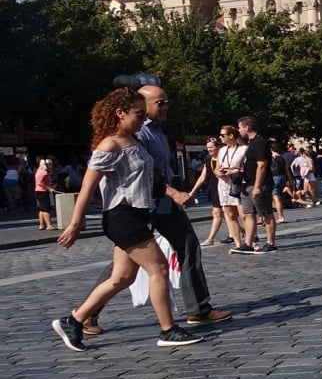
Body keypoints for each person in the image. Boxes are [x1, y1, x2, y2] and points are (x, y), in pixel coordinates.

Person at [53, 88, 204, 350]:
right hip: (123, 216)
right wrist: (76, 224)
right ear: (119, 113)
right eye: (137, 114)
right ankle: (168, 329)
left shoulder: (135, 140)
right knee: (158, 268)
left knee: (122, 278)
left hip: (140, 213)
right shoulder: (108, 145)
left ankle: (74, 320)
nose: (141, 119)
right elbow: (88, 187)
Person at [236, 115, 277, 253]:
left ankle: (270, 242)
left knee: (266, 213)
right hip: (247, 184)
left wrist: (258, 186)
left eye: (240, 127)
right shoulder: (250, 143)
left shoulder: (260, 142)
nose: (239, 130)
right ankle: (248, 242)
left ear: (247, 128)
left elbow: (262, 165)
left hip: (259, 184)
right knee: (248, 214)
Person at [34, 157, 55, 230]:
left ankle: (42, 224)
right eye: (50, 164)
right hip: (43, 192)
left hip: (38, 191)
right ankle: (49, 225)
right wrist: (49, 188)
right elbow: (40, 183)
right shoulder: (45, 172)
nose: (51, 166)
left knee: (42, 209)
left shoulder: (38, 171)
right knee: (46, 209)